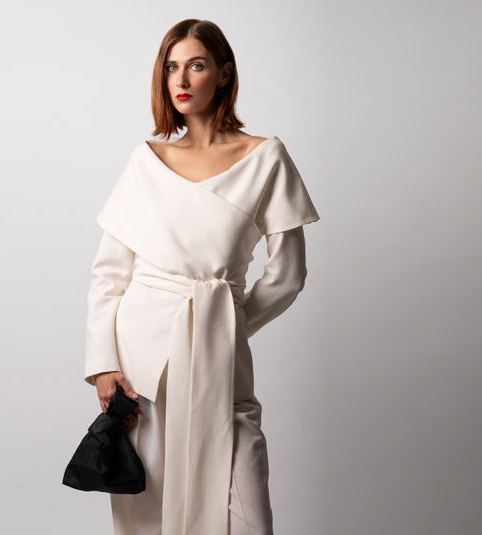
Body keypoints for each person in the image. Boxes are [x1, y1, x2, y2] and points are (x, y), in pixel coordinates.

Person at [84, 19, 320, 535]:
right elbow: (109, 273)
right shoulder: (147, 161)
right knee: (148, 506)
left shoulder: (266, 158)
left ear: (224, 73)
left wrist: (222, 328)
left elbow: (287, 276)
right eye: (172, 67)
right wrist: (103, 364)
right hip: (141, 358)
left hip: (218, 354)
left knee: (245, 505)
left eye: (196, 65)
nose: (181, 79)